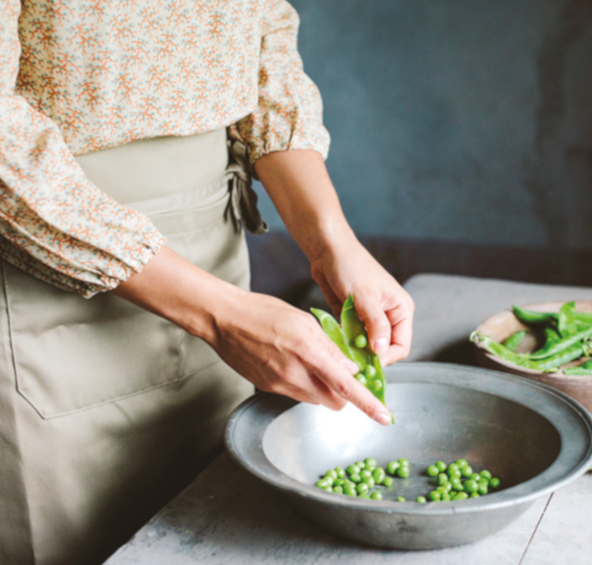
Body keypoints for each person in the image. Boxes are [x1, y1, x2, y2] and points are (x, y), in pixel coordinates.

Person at [0, 1, 414, 564]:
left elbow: (266, 49)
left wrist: (331, 240)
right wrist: (221, 314)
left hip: (218, 265)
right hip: (46, 263)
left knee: (216, 527)